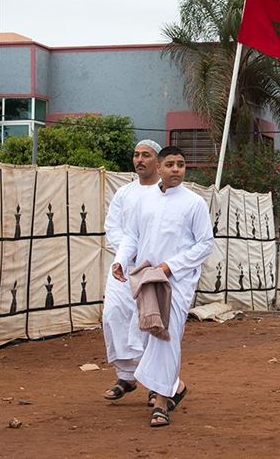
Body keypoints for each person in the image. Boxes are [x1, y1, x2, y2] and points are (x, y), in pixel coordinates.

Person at [112, 146, 214, 427]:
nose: (176, 169)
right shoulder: (143, 202)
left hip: (177, 283)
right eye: (170, 164)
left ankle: (160, 402)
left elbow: (205, 244)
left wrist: (171, 266)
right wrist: (121, 260)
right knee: (147, 336)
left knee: (165, 339)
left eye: (181, 164)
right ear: (159, 168)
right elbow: (131, 235)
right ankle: (175, 388)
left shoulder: (194, 202)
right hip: (146, 278)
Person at [101, 140, 162, 403]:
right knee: (113, 314)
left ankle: (153, 382)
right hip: (124, 266)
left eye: (145, 155)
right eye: (136, 155)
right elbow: (113, 227)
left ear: (157, 161)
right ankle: (126, 376)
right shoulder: (123, 193)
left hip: (154, 268)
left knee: (150, 323)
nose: (139, 159)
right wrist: (126, 253)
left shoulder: (165, 193)